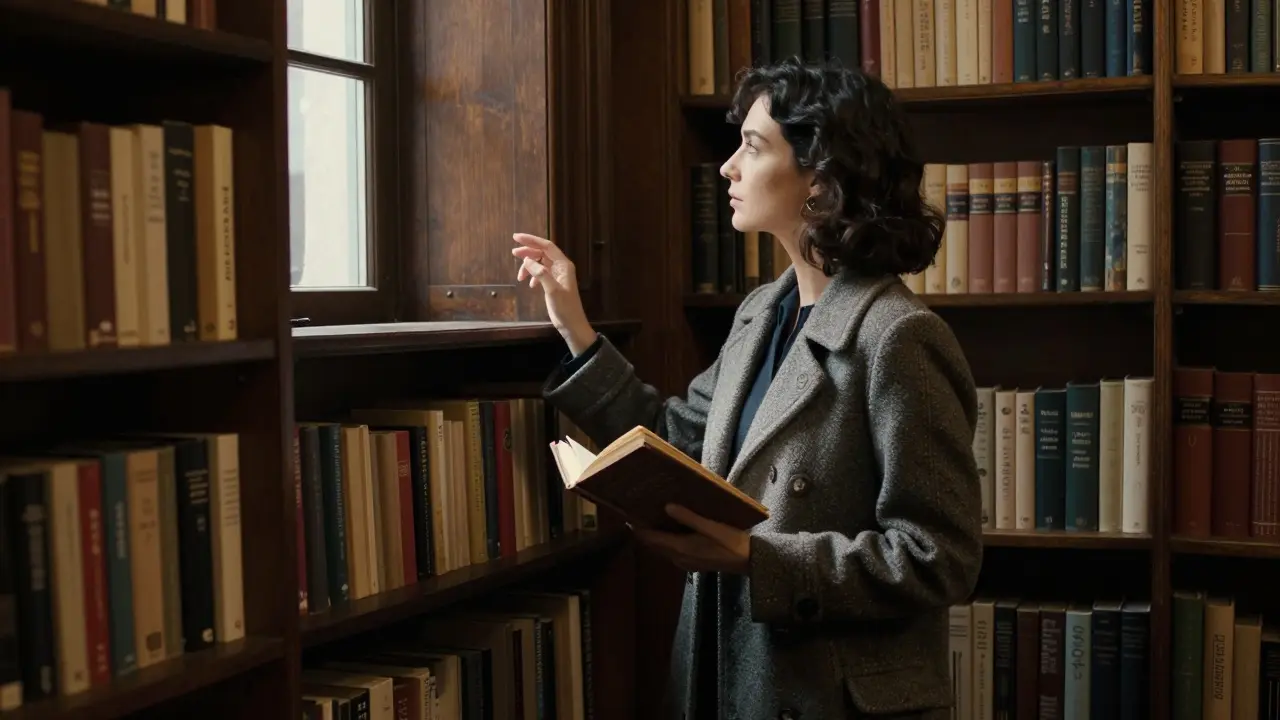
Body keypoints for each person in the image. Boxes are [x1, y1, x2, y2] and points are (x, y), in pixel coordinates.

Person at [512, 57, 983, 720]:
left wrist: (757, 559)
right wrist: (577, 329)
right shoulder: (762, 312)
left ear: (821, 179)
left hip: (825, 700)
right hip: (726, 677)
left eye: (754, 147)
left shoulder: (899, 338)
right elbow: (679, 441)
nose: (728, 167)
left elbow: (941, 557)